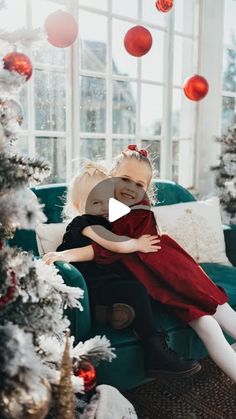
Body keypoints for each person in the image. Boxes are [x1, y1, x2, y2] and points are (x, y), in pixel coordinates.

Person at [43, 162, 201, 377]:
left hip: (108, 282)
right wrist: (137, 244)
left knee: (146, 288)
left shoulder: (113, 219)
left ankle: (107, 313)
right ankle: (156, 354)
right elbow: (113, 244)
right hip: (92, 285)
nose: (104, 207)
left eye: (109, 200)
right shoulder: (86, 222)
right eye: (96, 202)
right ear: (80, 206)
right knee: (135, 290)